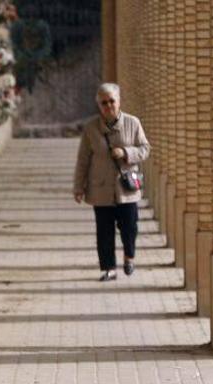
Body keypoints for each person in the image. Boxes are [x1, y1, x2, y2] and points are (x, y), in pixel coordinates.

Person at [73, 82, 151, 282]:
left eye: (111, 101)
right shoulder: (91, 128)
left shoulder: (133, 123)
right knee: (104, 231)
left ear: (119, 101)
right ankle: (108, 268)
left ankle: (129, 257)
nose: (108, 106)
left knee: (129, 227)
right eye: (103, 102)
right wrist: (78, 186)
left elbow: (145, 149)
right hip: (101, 189)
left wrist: (126, 152)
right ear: (99, 105)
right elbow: (83, 159)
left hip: (126, 189)